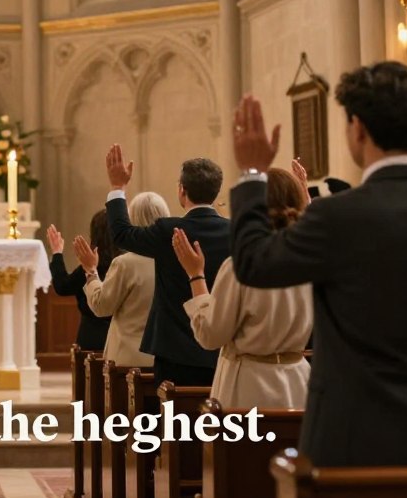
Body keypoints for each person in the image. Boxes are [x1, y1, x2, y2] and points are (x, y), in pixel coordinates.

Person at [229, 62, 407, 466]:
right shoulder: (331, 217)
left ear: (357, 129)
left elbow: (254, 262)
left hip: (352, 439)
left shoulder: (338, 217)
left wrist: (253, 174)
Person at [172, 167, 312, 408]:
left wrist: (196, 276)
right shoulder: (311, 260)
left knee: (248, 447)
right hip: (298, 382)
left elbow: (210, 334)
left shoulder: (243, 264)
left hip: (251, 385)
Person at [104, 145, 230, 386]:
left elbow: (122, 234)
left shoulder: (168, 231)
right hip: (220, 349)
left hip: (174, 351)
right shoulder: (235, 233)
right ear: (216, 192)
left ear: (182, 191)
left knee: (174, 420)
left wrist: (117, 188)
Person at [81, 192, 170, 367]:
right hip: (168, 357)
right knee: (169, 396)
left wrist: (91, 272)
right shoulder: (179, 259)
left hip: (130, 358)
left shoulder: (125, 263)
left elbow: (102, 306)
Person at [46, 210, 121, 350]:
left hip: (90, 338)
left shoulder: (89, 267)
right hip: (120, 339)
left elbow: (62, 286)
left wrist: (57, 252)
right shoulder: (124, 266)